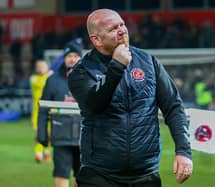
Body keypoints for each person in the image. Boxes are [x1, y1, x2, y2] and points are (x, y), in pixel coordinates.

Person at [68, 9, 193, 187]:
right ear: (96, 40)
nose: (121, 30)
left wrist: (183, 151)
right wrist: (117, 67)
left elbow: (173, 106)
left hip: (145, 175)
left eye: (122, 25)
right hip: (99, 175)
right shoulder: (82, 71)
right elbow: (93, 105)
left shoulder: (148, 62)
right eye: (112, 29)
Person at [37, 39, 83, 187]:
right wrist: (42, 133)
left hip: (85, 138)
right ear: (64, 58)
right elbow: (43, 109)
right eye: (69, 56)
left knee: (83, 178)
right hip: (61, 137)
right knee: (61, 174)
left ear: (81, 58)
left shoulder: (89, 79)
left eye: (76, 56)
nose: (73, 59)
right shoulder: (52, 80)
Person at [30, 59, 53, 163]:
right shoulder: (33, 79)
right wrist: (48, 75)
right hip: (37, 112)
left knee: (49, 134)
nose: (40, 68)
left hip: (49, 110)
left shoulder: (50, 78)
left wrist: (49, 75)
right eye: (39, 66)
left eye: (42, 66)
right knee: (39, 133)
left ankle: (47, 153)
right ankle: (38, 154)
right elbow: (42, 84)